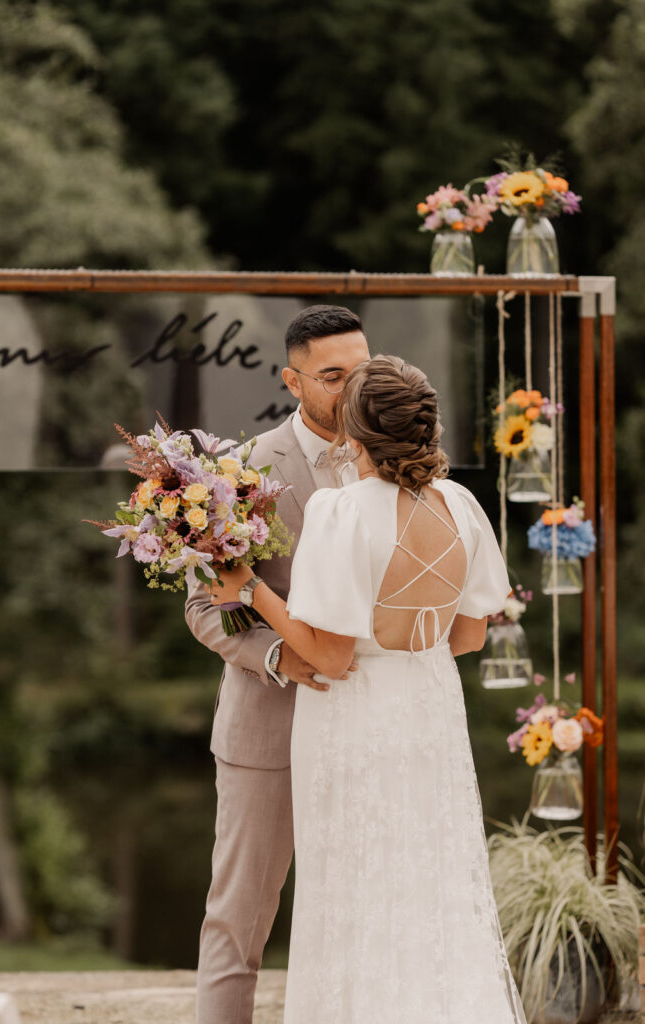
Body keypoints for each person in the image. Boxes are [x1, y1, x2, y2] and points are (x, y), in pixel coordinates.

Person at [208, 354, 528, 1024]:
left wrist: (251, 590)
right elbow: (468, 637)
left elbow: (327, 656)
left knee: (352, 882)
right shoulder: (461, 505)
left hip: (352, 717)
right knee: (428, 883)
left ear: (352, 430)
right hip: (428, 709)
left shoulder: (340, 509)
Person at [185, 304, 370, 1024]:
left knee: (360, 915)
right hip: (268, 730)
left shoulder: (395, 460)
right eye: (332, 376)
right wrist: (277, 658)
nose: (351, 388)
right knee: (239, 919)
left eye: (362, 369)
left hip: (371, 725)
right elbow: (205, 609)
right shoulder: (247, 471)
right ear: (292, 380)